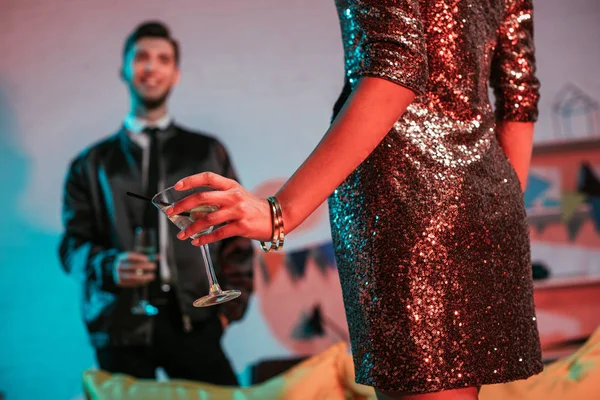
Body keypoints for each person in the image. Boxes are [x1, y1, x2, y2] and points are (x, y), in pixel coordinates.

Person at [168, 0, 542, 398]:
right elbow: (519, 95)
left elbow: (395, 68)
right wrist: (489, 210)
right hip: (490, 196)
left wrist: (281, 211)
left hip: (410, 204)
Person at [58, 21, 253, 385]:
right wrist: (107, 265)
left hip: (194, 320)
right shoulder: (91, 163)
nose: (151, 67)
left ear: (175, 74)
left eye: (162, 59)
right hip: (118, 326)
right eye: (142, 58)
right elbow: (71, 246)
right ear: (125, 69)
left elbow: (238, 231)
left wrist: (228, 313)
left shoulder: (206, 151)